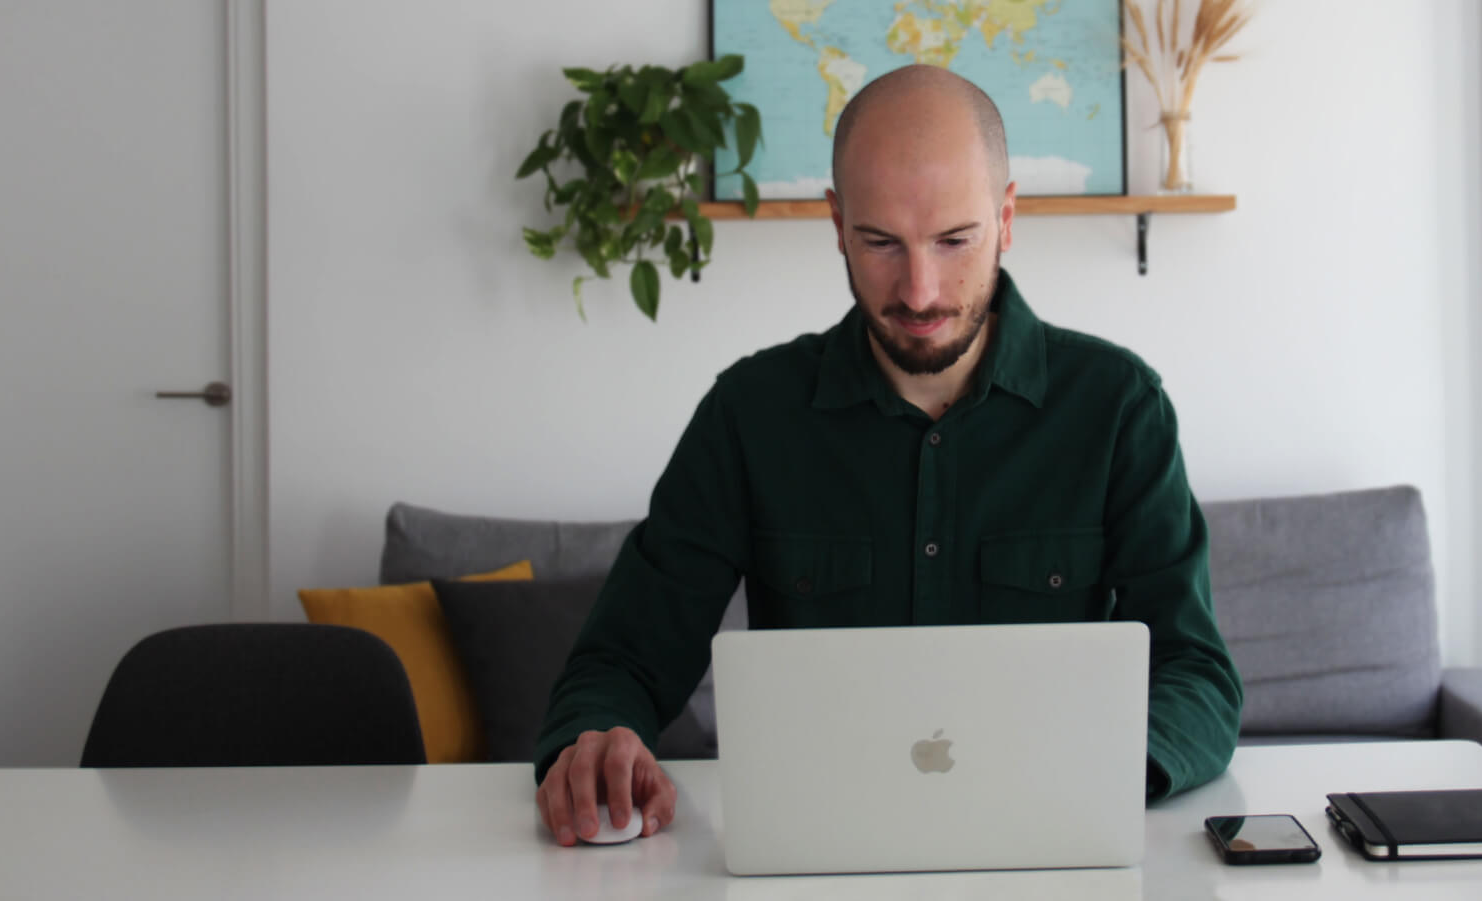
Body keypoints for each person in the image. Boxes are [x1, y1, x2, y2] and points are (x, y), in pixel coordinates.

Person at [531, 64, 1242, 847]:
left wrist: (1103, 773)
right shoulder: (748, 414)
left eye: (954, 239)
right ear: (836, 224)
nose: (920, 289)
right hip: (813, 851)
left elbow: (1196, 674)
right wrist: (596, 739)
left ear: (1007, 218)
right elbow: (623, 658)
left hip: (1053, 842)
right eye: (879, 242)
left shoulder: (1118, 409)